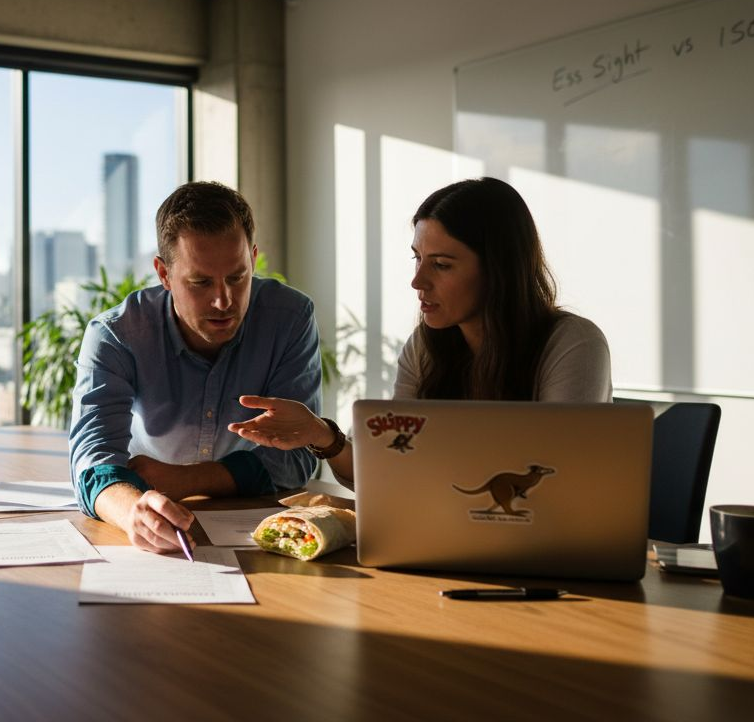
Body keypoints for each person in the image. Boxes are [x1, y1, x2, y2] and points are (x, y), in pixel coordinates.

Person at [227, 176, 612, 484]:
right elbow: (385, 470)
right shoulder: (426, 348)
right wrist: (319, 434)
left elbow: (556, 478)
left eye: (441, 265)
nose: (417, 281)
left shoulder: (572, 344)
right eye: (418, 259)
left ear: (499, 269)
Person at [69, 181, 323, 553]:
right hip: (152, 515)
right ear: (164, 274)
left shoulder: (290, 319)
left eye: (238, 277)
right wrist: (133, 514)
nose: (224, 301)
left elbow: (298, 457)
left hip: (257, 528)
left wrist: (184, 480)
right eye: (200, 282)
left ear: (253, 258)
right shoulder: (116, 336)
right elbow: (92, 463)